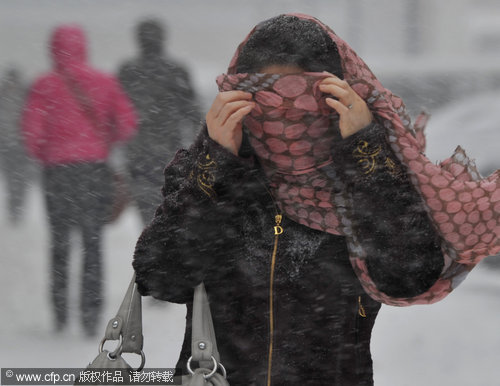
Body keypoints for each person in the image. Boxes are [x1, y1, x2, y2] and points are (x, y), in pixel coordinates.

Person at [132, 14, 500, 385]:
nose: (284, 113)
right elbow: (162, 278)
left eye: (302, 96)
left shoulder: (366, 172)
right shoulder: (213, 169)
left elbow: (406, 276)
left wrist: (363, 150)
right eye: (265, 95)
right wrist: (214, 162)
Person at [22, 24, 137, 336]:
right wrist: (102, 142)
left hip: (58, 175)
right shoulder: (104, 82)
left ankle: (60, 314)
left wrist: (51, 153)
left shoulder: (44, 85)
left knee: (59, 244)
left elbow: (31, 135)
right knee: (92, 243)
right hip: (93, 172)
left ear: (53, 48)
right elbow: (127, 125)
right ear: (83, 47)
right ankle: (90, 313)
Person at [118, 19, 200, 225]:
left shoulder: (127, 72)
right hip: (169, 150)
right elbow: (191, 111)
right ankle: (166, 249)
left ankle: (151, 243)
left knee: (146, 207)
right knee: (171, 205)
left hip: (137, 152)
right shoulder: (176, 71)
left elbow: (115, 114)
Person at [0, 67, 33, 224]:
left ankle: (16, 208)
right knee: (14, 178)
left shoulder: (19, 95)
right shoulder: (25, 95)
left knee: (17, 178)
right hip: (12, 144)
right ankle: (15, 207)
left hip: (17, 144)